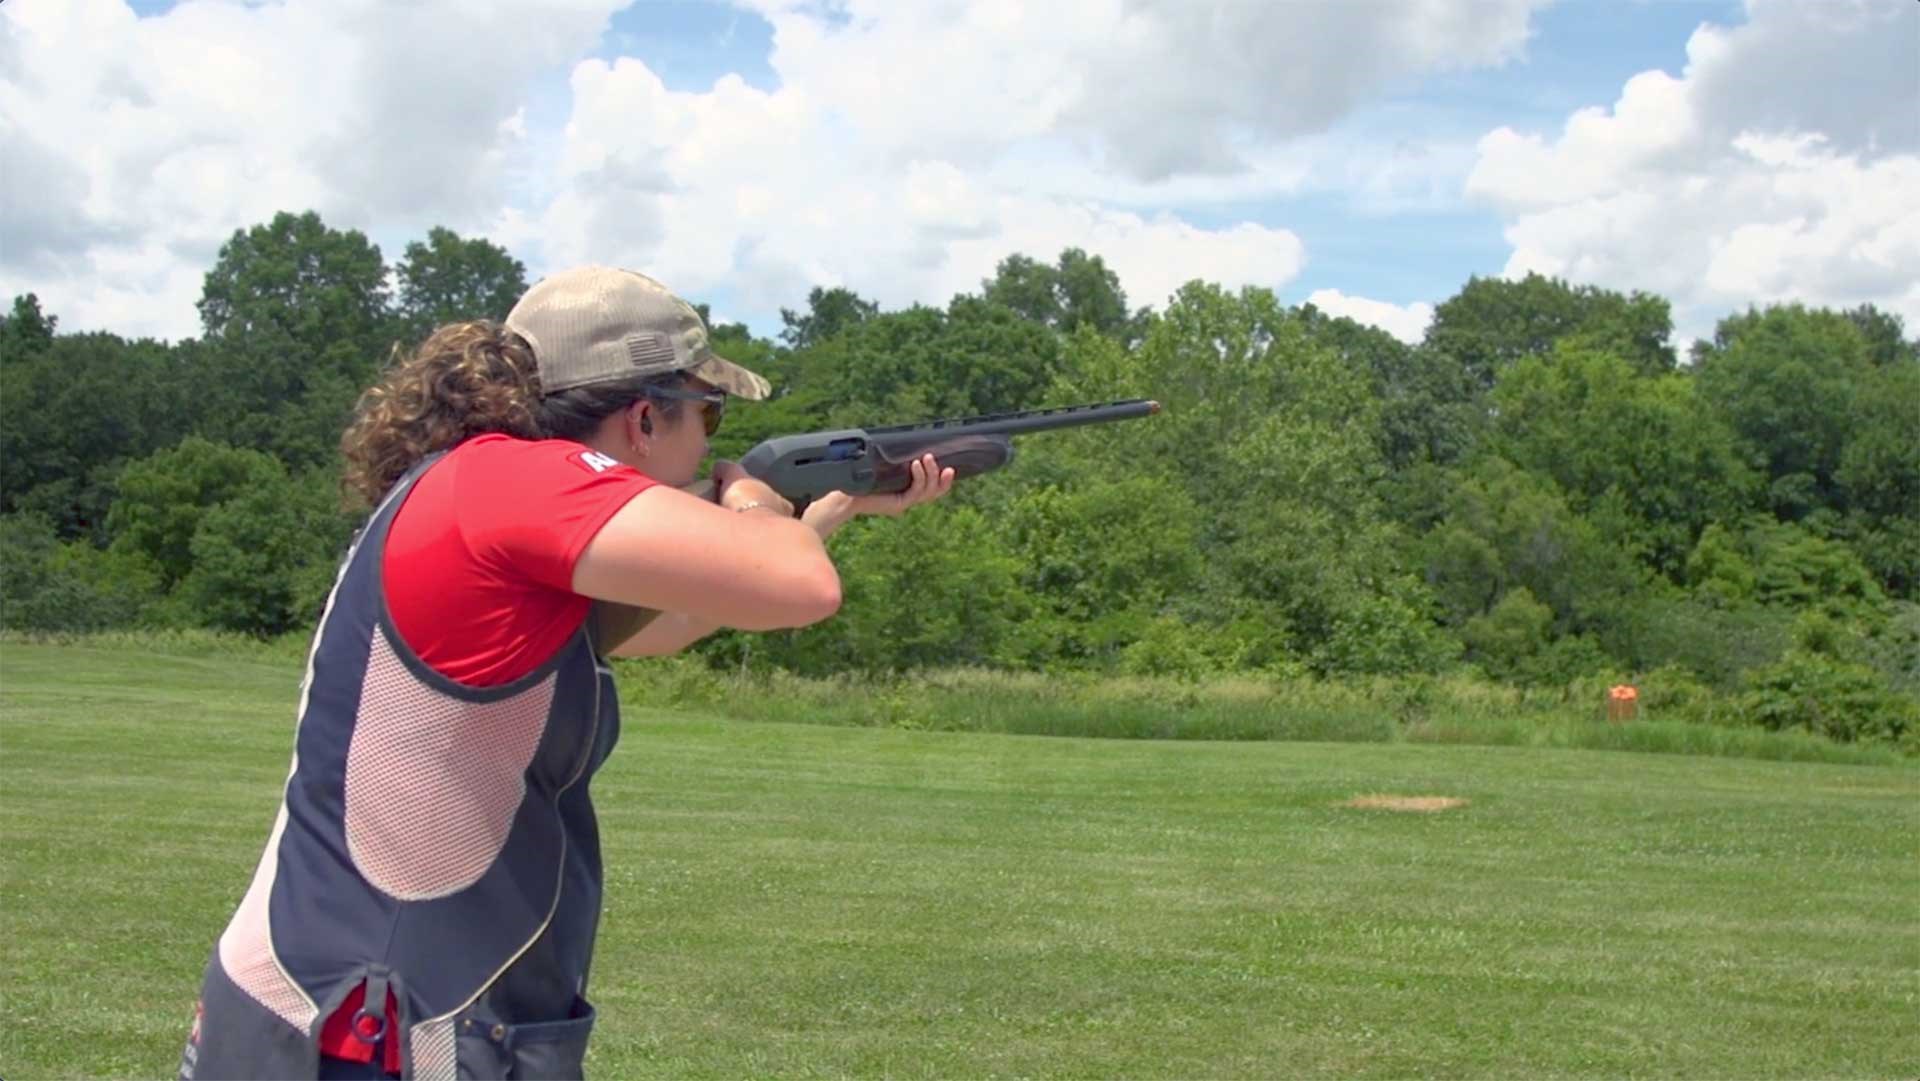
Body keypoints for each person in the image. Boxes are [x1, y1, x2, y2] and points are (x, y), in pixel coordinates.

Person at [177, 266, 954, 1081]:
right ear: (645, 417)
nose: (712, 445)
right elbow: (800, 590)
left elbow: (677, 621)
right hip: (367, 1032)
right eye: (708, 413)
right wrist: (756, 507)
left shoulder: (486, 491)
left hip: (348, 1021)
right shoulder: (513, 480)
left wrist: (819, 518)